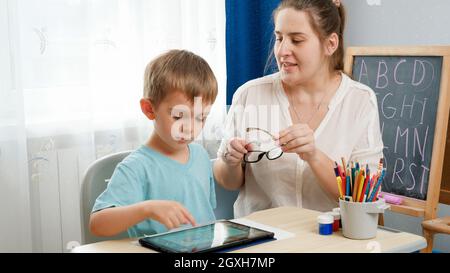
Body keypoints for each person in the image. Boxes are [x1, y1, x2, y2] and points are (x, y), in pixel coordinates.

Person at [213, 0, 384, 217]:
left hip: (329, 239)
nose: (283, 50)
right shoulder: (250, 95)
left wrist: (314, 156)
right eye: (279, 38)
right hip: (262, 239)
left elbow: (365, 194)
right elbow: (228, 181)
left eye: (296, 40)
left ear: (330, 44)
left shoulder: (360, 100)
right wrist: (230, 162)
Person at [90, 49, 218, 237]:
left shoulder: (200, 156)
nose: (190, 128)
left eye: (200, 118)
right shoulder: (135, 168)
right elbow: (97, 224)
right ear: (149, 109)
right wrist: (147, 209)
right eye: (178, 116)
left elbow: (206, 218)